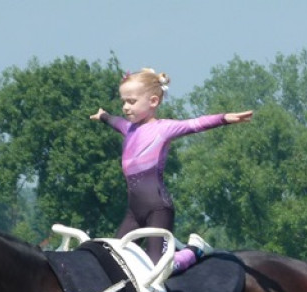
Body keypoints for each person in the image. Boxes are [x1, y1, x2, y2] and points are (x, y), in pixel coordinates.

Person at [90, 68, 253, 272]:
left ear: (153, 101)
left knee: (158, 268)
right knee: (112, 260)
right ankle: (173, 245)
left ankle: (195, 249)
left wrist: (224, 118)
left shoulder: (163, 128)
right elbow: (114, 121)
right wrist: (103, 115)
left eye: (131, 102)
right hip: (134, 211)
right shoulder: (128, 128)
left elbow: (194, 124)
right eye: (123, 101)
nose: (125, 107)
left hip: (158, 208)